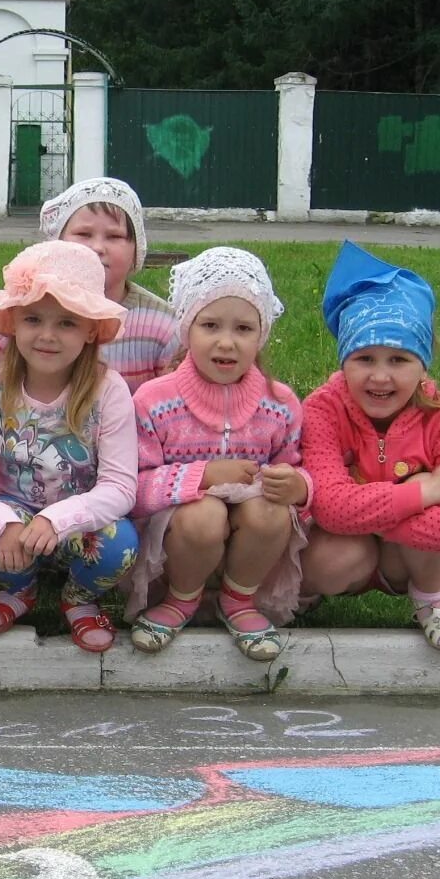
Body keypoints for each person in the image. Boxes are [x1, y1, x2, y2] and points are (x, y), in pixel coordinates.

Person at [0, 240, 139, 654]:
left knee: (119, 542)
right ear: (14, 323)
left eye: (66, 323)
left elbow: (121, 487)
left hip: (78, 521)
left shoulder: (108, 392)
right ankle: (21, 588)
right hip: (16, 517)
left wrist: (57, 519)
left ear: (90, 330)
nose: (47, 336)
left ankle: (79, 598)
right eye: (34, 319)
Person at [299, 241, 440, 651]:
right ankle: (304, 593)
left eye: (398, 360)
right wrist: (427, 491)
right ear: (343, 360)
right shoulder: (322, 410)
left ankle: (431, 598)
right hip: (349, 552)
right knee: (329, 563)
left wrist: (360, 511)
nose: (380, 377)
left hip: (411, 559)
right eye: (364, 358)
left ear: (423, 364)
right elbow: (328, 507)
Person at [127, 247, 310, 662]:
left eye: (244, 328)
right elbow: (134, 487)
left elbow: (295, 466)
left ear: (260, 335)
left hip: (252, 542)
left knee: (271, 510)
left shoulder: (279, 404)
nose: (226, 342)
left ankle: (239, 600)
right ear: (187, 329)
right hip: (179, 541)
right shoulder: (155, 400)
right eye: (210, 325)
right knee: (203, 514)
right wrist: (203, 476)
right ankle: (181, 600)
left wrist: (297, 486)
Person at [0, 177, 176, 395]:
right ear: (57, 242)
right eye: (84, 234)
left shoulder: (161, 324)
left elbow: (171, 397)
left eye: (114, 236)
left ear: (136, 252)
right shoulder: (23, 304)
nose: (97, 247)